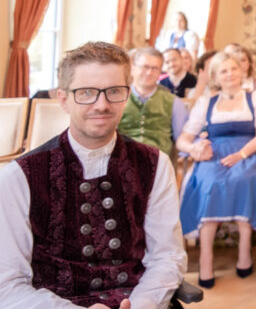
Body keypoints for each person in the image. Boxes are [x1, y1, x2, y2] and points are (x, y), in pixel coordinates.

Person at [0, 41, 186, 308]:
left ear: (127, 94)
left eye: (114, 91)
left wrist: (144, 302)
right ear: (63, 99)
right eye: (86, 92)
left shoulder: (155, 164)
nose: (102, 104)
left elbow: (167, 257)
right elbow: (7, 284)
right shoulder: (19, 176)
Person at [177, 52, 256, 288]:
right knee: (209, 183)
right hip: (215, 154)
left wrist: (241, 155)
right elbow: (183, 140)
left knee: (245, 179)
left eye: (234, 69)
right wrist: (195, 148)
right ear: (215, 77)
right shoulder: (207, 101)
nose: (230, 74)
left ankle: (244, 252)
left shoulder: (255, 97)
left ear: (242, 72)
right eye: (223, 71)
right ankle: (205, 257)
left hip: (248, 153)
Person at [119, 47, 188, 160]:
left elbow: (183, 138)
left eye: (155, 68)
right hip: (122, 163)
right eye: (145, 67)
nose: (149, 72)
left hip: (158, 165)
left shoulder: (174, 102)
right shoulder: (118, 98)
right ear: (133, 68)